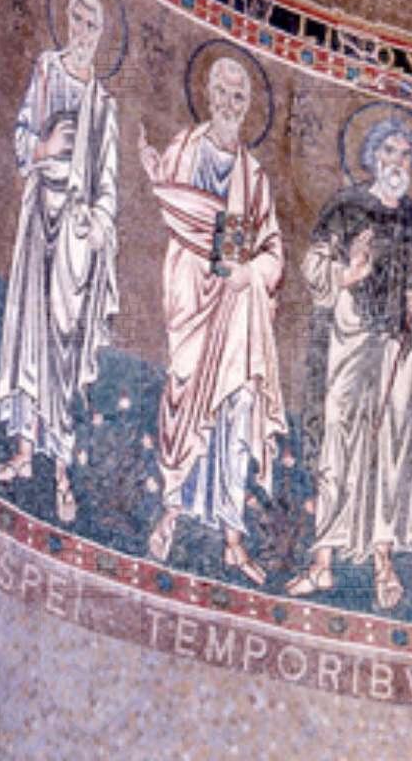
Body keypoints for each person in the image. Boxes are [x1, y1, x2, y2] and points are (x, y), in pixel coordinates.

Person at [290, 116, 412, 608]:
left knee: (392, 445)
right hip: (350, 338)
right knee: (339, 435)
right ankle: (323, 558)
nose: (397, 163)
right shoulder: (346, 208)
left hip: (399, 348)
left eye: (406, 155)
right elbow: (313, 267)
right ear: (371, 157)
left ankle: (383, 557)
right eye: (388, 152)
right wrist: (348, 273)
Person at [139, 53, 286, 584]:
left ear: (248, 107)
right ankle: (172, 510)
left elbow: (273, 252)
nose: (229, 103)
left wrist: (250, 273)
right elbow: (174, 208)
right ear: (206, 93)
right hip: (190, 295)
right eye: (222, 92)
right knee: (184, 396)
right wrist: (159, 180)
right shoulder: (184, 149)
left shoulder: (254, 175)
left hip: (237, 308)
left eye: (239, 96)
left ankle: (231, 538)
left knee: (235, 410)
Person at [0, 0, 121, 525]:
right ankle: (24, 450)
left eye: (93, 24)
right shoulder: (46, 71)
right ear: (67, 19)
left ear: (102, 34)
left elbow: (109, 184)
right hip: (36, 218)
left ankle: (62, 471)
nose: (83, 32)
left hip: (74, 237)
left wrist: (97, 223)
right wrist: (42, 149)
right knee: (28, 333)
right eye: (78, 19)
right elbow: (23, 134)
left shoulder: (104, 105)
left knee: (63, 354)